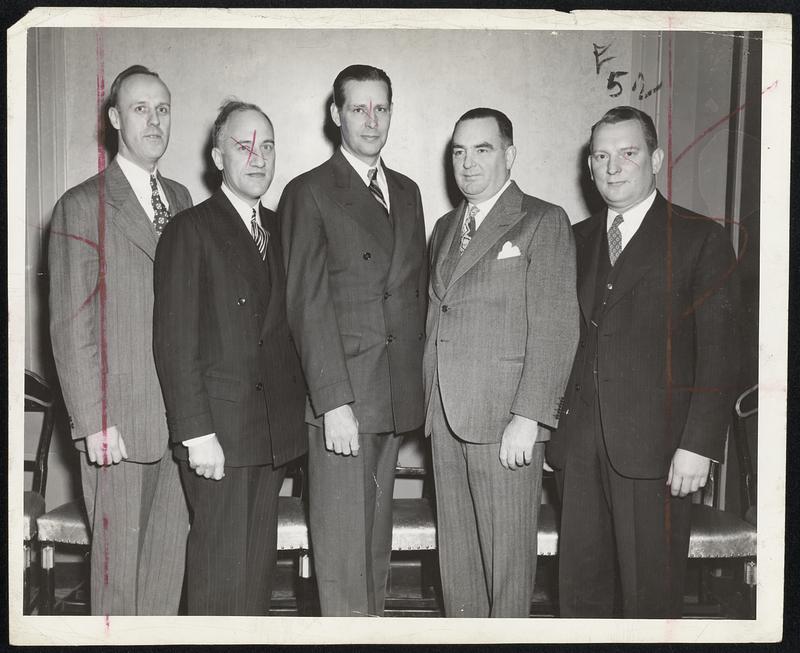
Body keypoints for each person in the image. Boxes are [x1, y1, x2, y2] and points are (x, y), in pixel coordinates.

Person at [546, 105, 741, 618]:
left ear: (654, 158)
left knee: (649, 599)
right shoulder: (573, 239)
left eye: (627, 154)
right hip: (580, 451)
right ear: (589, 167)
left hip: (660, 455)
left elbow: (721, 354)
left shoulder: (701, 238)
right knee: (580, 598)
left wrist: (698, 447)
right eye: (601, 156)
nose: (613, 168)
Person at [279, 64, 427, 617]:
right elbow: (307, 307)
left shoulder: (408, 192)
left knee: (375, 553)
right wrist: (333, 401)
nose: (371, 120)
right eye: (359, 108)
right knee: (341, 559)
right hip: (342, 400)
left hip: (391, 397)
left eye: (381, 108)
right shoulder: (309, 191)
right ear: (336, 114)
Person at [153, 100, 307, 615]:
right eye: (244, 145)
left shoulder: (284, 229)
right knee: (218, 580)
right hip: (216, 436)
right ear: (219, 156)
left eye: (267, 146)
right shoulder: (189, 229)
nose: (257, 157)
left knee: (255, 580)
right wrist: (196, 434)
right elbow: (175, 343)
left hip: (269, 437)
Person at [424, 107, 579, 617]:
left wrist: (529, 418)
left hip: (505, 423)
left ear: (509, 155)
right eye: (459, 151)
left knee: (507, 572)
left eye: (482, 149)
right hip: (446, 418)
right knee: (459, 569)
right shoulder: (446, 226)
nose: (467, 163)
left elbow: (557, 329)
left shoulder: (542, 219)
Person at [48, 65, 191, 615]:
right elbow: (70, 326)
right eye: (139, 109)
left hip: (180, 422)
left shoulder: (181, 199)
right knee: (117, 585)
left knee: (163, 577)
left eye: (163, 109)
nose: (154, 121)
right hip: (118, 425)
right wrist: (94, 419)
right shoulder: (82, 205)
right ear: (114, 119)